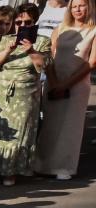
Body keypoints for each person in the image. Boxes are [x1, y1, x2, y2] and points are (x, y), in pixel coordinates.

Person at [0, 4, 48, 185]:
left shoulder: (42, 41)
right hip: (0, 90)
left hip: (25, 92)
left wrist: (30, 50)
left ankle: (10, 171)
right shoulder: (6, 40)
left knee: (18, 133)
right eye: (19, 22)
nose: (23, 25)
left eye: (28, 22)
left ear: (35, 22)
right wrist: (9, 48)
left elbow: (42, 65)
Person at [34, 0, 96, 180]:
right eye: (74, 6)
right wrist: (54, 81)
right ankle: (41, 164)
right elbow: (50, 56)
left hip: (77, 84)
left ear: (89, 7)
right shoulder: (60, 28)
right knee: (50, 124)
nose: (78, 9)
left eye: (82, 5)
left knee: (70, 126)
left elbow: (91, 62)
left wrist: (67, 84)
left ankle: (64, 167)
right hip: (54, 80)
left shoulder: (93, 31)